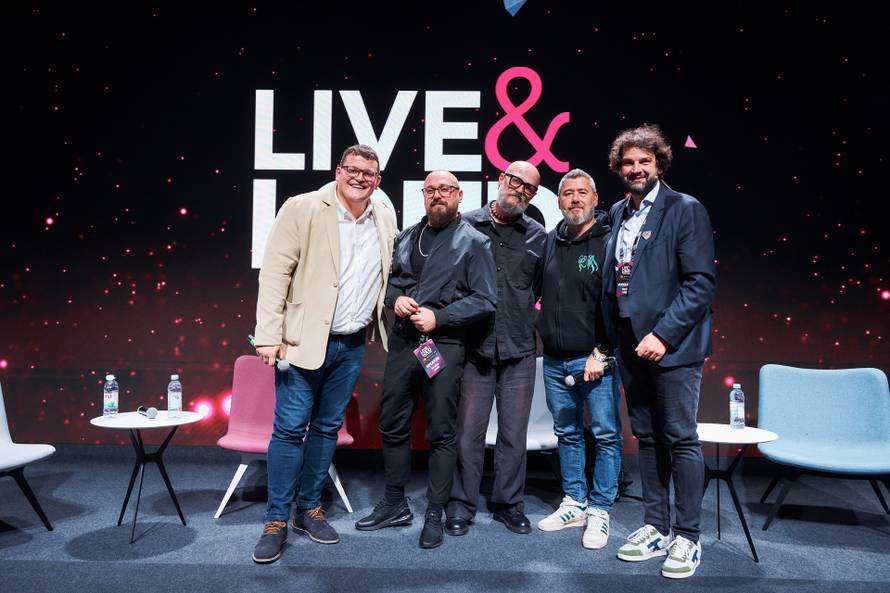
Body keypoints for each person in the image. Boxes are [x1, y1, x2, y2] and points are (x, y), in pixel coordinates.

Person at [251, 144, 397, 563]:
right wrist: (267, 334)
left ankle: (308, 509)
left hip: (351, 343)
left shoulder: (383, 216)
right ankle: (276, 519)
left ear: (378, 180)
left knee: (327, 428)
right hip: (301, 343)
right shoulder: (302, 207)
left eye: (368, 173)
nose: (359, 178)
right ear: (338, 171)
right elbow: (276, 271)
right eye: (352, 170)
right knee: (289, 429)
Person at [355, 170, 497, 549]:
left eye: (446, 189)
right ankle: (394, 503)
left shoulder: (475, 242)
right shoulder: (408, 237)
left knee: (441, 432)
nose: (438, 195)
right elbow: (394, 283)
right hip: (404, 344)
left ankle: (435, 511)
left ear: (459, 195)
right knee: (393, 422)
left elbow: (486, 300)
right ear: (423, 195)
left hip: (445, 345)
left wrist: (441, 317)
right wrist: (394, 300)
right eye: (431, 190)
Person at [602, 125, 716, 579]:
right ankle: (656, 525)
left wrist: (663, 335)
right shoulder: (617, 212)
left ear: (659, 165)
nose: (635, 169)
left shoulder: (684, 208)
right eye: (628, 163)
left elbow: (700, 283)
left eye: (643, 162)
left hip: (673, 348)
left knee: (680, 438)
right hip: (631, 346)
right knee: (647, 437)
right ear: (619, 168)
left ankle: (688, 536)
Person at [445, 161, 547, 537]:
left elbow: (535, 289)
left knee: (513, 434)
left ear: (533, 196)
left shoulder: (537, 235)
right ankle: (461, 505)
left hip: (519, 349)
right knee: (468, 432)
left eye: (529, 188)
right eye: (516, 181)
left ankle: (508, 504)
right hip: (474, 349)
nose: (520, 190)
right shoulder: (465, 225)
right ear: (501, 179)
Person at [535, 168, 622, 550]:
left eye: (582, 193)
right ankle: (575, 502)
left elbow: (621, 306)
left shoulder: (610, 242)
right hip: (555, 361)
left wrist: (601, 352)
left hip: (595, 360)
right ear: (558, 201)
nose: (574, 199)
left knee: (605, 435)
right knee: (566, 433)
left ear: (595, 199)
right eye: (567, 193)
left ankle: (601, 508)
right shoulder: (551, 242)